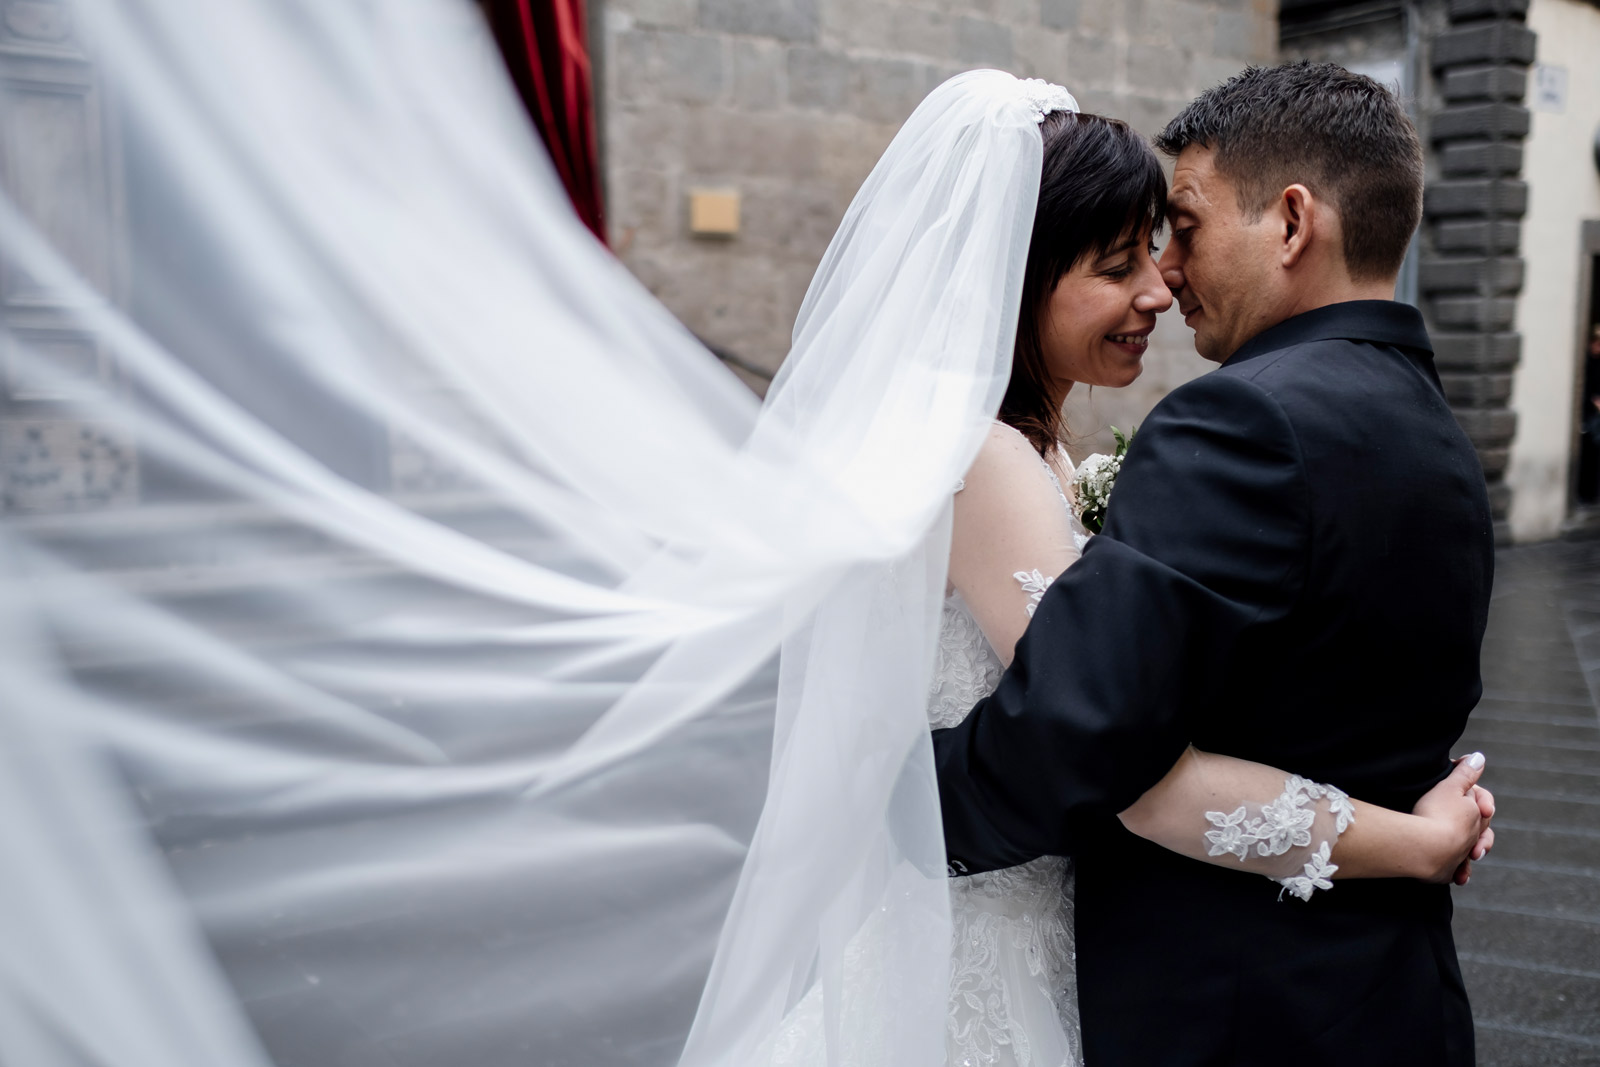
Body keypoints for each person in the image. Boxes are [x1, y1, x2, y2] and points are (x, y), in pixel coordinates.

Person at [762, 72, 1493, 1067]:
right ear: (1016, 281)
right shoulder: (1435, 428)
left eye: (1171, 236)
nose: (1162, 281)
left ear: (1290, 224)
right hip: (1357, 983)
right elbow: (1120, 751)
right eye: (1122, 261)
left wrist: (898, 798)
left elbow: (1093, 739)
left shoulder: (1217, 423)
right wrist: (1415, 840)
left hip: (1226, 987)